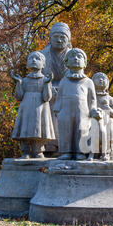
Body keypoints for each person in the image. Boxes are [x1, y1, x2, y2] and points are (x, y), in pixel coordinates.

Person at [53, 48, 99, 160]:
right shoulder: (64, 81)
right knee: (65, 131)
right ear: (67, 63)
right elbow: (59, 96)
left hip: (83, 112)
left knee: (82, 130)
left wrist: (93, 110)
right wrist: (57, 109)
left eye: (79, 57)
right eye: (72, 57)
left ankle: (80, 152)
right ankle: (66, 152)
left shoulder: (88, 82)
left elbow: (92, 100)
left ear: (85, 63)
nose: (76, 59)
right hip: (65, 110)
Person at [11, 51, 55, 159]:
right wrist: (18, 83)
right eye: (31, 58)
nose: (34, 60)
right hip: (26, 108)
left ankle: (38, 150)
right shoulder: (24, 80)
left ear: (43, 64)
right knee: (25, 128)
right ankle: (25, 151)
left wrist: (47, 84)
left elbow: (47, 97)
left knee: (39, 129)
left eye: (37, 59)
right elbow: (19, 96)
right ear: (27, 63)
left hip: (40, 108)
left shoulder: (45, 79)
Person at [39, 22, 73, 157]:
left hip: (68, 93)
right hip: (47, 93)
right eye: (56, 37)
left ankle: (66, 146)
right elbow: (38, 77)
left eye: (63, 37)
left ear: (68, 39)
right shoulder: (42, 56)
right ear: (50, 38)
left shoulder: (73, 56)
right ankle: (46, 146)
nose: (59, 40)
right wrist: (49, 87)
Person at [89, 72, 113, 161]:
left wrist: (107, 108)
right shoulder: (91, 97)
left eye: (104, 78)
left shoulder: (110, 99)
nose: (101, 80)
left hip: (107, 120)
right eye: (98, 78)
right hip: (94, 119)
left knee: (110, 123)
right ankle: (91, 153)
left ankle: (107, 152)